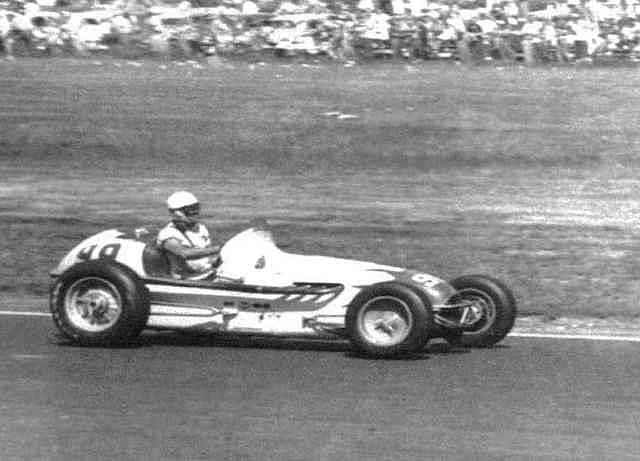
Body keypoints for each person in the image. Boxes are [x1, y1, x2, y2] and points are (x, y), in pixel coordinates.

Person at [156, 191, 220, 281]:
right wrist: (218, 249)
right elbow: (184, 253)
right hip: (187, 281)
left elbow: (207, 259)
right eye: (189, 210)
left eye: (196, 208)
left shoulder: (201, 228)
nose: (194, 213)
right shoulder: (168, 233)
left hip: (209, 274)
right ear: (175, 212)